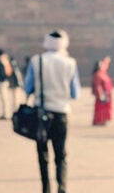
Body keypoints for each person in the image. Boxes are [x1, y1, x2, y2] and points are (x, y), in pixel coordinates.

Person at [24, 30, 80, 193]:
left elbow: (28, 87)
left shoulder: (37, 61)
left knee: (43, 154)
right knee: (61, 154)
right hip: (61, 112)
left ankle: (45, 188)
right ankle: (62, 187)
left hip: (41, 113)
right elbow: (75, 93)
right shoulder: (70, 63)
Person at [0, 48, 13, 120]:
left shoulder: (2, 60)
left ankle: (6, 114)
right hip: (5, 81)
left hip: (3, 81)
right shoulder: (6, 59)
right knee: (4, 98)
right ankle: (6, 113)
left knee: (4, 98)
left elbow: (2, 72)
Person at [91, 56, 113, 126]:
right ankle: (99, 121)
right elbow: (98, 85)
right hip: (102, 94)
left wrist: (106, 60)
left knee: (106, 108)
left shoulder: (102, 72)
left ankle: (104, 120)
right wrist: (100, 94)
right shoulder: (98, 74)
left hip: (107, 93)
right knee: (100, 109)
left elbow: (105, 65)